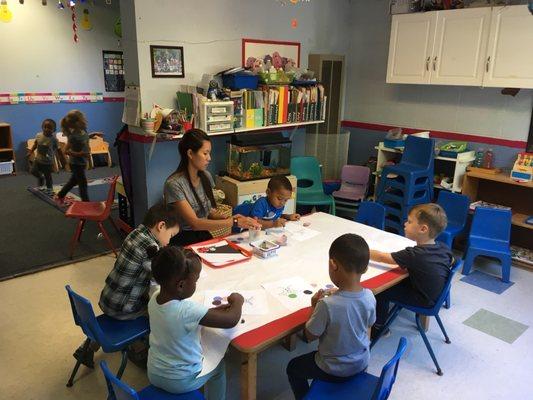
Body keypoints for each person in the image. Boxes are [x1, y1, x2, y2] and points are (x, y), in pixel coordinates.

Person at [72, 203, 181, 369]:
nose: (169, 242)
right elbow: (163, 277)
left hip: (108, 299)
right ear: (161, 226)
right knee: (159, 313)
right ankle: (137, 348)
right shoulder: (150, 247)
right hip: (122, 308)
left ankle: (89, 345)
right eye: (171, 236)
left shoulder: (136, 233)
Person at [286, 234, 376, 400]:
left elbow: (309, 336)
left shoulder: (327, 305)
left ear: (333, 265)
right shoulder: (370, 296)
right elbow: (368, 325)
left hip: (334, 369)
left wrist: (314, 306)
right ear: (365, 268)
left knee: (293, 367)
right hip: (361, 362)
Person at [148, 246, 244, 399]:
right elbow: (231, 319)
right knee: (219, 368)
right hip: (180, 380)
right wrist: (238, 301)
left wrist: (212, 312)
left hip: (154, 371)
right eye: (196, 280)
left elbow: (191, 316)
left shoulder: (154, 298)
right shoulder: (187, 311)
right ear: (181, 285)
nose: (196, 284)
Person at [369, 203, 454, 339]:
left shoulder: (414, 254)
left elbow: (381, 257)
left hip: (424, 299)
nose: (404, 224)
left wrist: (362, 251)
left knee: (380, 291)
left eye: (409, 221)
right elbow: (451, 261)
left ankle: (379, 328)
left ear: (423, 229)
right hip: (437, 295)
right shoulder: (443, 248)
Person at [164, 129, 260, 246]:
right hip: (182, 239)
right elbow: (195, 223)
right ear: (190, 154)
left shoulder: (206, 176)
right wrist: (233, 222)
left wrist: (229, 217)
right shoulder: (174, 184)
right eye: (205, 153)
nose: (209, 158)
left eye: (209, 153)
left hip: (203, 235)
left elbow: (208, 211)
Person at [233, 175, 301, 229]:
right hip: (235, 222)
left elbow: (273, 216)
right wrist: (273, 224)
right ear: (268, 192)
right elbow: (255, 222)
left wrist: (288, 217)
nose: (282, 203)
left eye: (286, 200)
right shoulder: (261, 203)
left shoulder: (279, 205)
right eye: (279, 198)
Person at [56, 110, 90, 202]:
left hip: (82, 162)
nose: (85, 120)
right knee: (83, 183)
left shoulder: (83, 131)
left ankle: (61, 194)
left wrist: (93, 134)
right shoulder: (73, 136)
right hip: (76, 163)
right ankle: (86, 203)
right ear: (77, 122)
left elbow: (84, 137)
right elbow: (65, 151)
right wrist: (79, 154)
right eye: (83, 119)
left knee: (73, 181)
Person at [28, 118, 58, 195]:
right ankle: (41, 177)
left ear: (54, 130)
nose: (47, 129)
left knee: (48, 177)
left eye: (50, 128)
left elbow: (56, 148)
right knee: (33, 171)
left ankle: (49, 189)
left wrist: (56, 158)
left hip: (47, 162)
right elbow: (35, 144)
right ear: (42, 127)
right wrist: (30, 151)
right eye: (45, 127)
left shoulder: (54, 139)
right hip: (37, 160)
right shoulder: (38, 135)